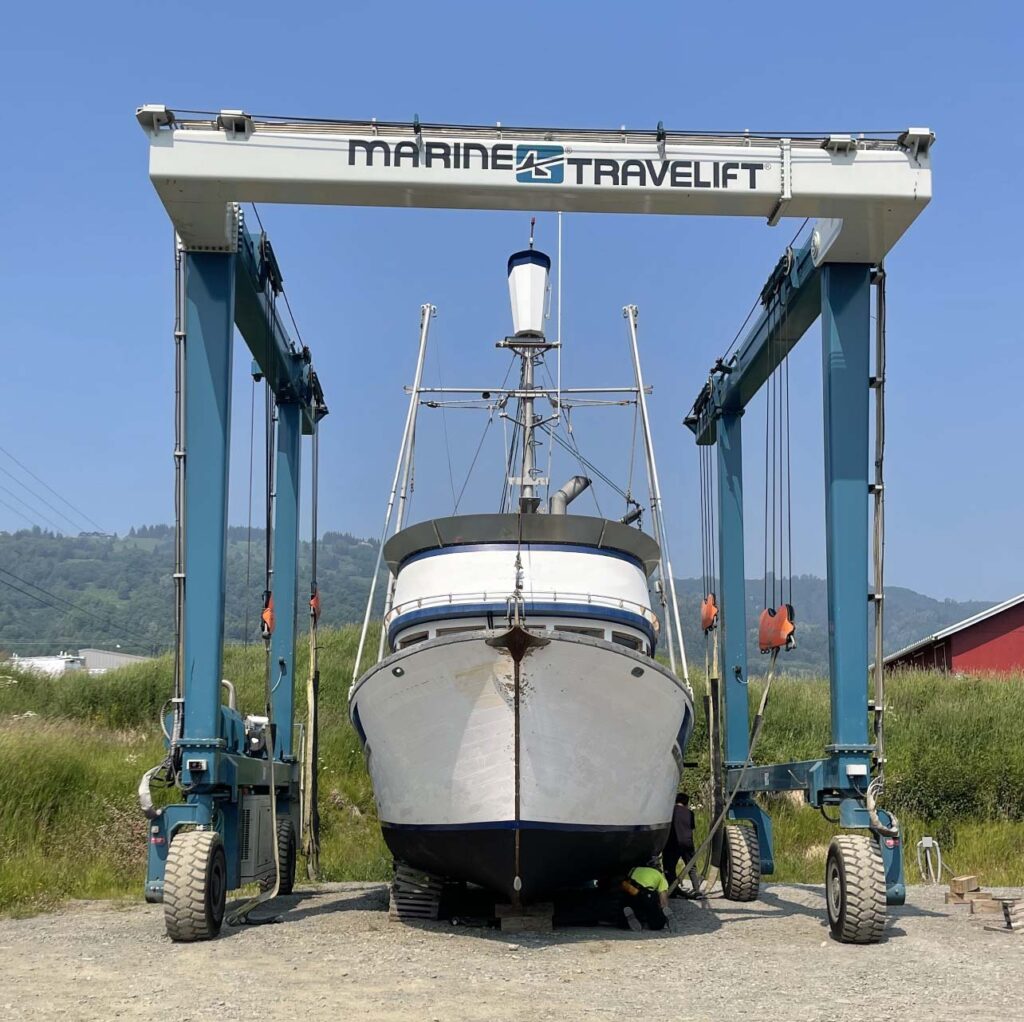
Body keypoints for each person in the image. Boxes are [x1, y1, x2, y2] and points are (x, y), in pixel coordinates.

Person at [663, 792, 702, 897]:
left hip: (673, 843)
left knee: (669, 867)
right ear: (686, 802)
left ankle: (673, 891)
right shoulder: (690, 813)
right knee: (691, 866)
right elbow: (691, 828)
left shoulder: (669, 812)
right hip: (688, 842)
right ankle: (697, 890)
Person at [620, 860, 670, 931]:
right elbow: (663, 900)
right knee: (656, 924)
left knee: (630, 908)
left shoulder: (635, 869)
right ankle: (652, 922)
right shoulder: (660, 877)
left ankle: (626, 922)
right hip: (646, 895)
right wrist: (663, 912)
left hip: (630, 891)